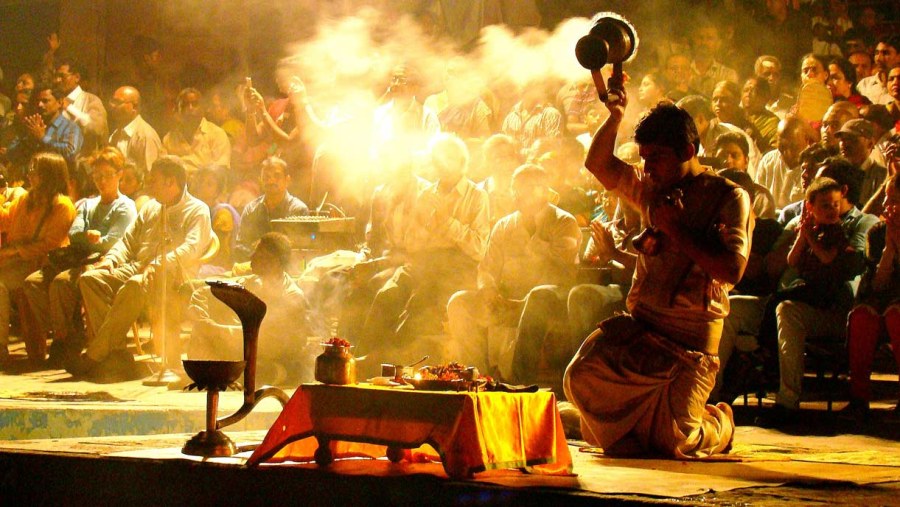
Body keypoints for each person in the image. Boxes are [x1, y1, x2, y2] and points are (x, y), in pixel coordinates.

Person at [564, 71, 751, 458]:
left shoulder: (728, 197)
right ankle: (631, 433)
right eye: (645, 158)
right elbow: (598, 164)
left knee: (677, 442)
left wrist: (676, 229)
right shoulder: (651, 189)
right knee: (578, 377)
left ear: (687, 150)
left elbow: (731, 270)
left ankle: (717, 424)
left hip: (689, 346)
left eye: (657, 158)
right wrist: (615, 118)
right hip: (642, 331)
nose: (647, 169)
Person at [69, 156, 211, 380]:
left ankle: (96, 355)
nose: (148, 185)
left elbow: (191, 248)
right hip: (138, 265)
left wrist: (159, 263)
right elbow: (127, 241)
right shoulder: (150, 208)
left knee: (135, 285)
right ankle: (115, 354)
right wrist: (111, 260)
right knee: (91, 279)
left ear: (170, 182)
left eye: (153, 180)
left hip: (171, 274)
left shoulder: (197, 210)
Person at [446, 164, 580, 382]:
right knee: (459, 302)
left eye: (526, 189)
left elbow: (563, 272)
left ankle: (520, 381)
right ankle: (477, 377)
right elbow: (487, 268)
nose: (518, 195)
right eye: (515, 189)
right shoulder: (504, 225)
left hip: (544, 303)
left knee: (538, 297)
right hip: (505, 301)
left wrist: (523, 302)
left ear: (544, 191)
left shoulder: (564, 222)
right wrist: (488, 289)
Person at [23, 147, 136, 366]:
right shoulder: (87, 204)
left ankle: (65, 341)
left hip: (103, 261)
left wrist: (95, 240)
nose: (101, 181)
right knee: (32, 283)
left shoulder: (125, 206)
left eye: (107, 175)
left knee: (61, 283)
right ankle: (66, 331)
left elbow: (114, 242)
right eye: (97, 176)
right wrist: (88, 237)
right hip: (77, 259)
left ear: (120, 174)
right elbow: (74, 234)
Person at [188, 232, 311, 386]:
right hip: (242, 349)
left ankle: (269, 373)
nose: (252, 258)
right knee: (202, 334)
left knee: (261, 370)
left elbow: (267, 338)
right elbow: (204, 292)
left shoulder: (292, 296)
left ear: (275, 262)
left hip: (273, 355)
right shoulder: (250, 282)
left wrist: (216, 330)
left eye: (259, 255)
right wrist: (202, 320)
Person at [0, 152, 76, 365]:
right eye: (31, 169)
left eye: (36, 171)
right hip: (18, 262)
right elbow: (5, 219)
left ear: (50, 175)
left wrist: (15, 251)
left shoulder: (63, 206)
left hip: (44, 264)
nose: (30, 174)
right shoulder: (26, 199)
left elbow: (49, 245)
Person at [844, 174, 900, 420]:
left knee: (896, 316)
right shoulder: (878, 232)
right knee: (861, 316)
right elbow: (877, 285)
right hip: (883, 298)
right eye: (887, 200)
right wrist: (889, 248)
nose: (888, 207)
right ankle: (859, 398)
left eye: (895, 201)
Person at [233, 156, 308, 263]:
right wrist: (259, 258)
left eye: (276, 176)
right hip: (255, 267)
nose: (271, 181)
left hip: (286, 270)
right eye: (266, 177)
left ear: (287, 180)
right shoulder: (251, 209)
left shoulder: (298, 210)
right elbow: (240, 246)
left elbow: (301, 250)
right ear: (260, 180)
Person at [6, 82, 83, 170]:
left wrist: (42, 138)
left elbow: (69, 153)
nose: (40, 105)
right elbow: (10, 155)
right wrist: (29, 140)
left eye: (45, 101)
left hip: (57, 181)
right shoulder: (32, 124)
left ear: (60, 102)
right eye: (37, 101)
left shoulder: (70, 128)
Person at [162, 88, 231, 175]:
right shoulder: (169, 139)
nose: (190, 108)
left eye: (195, 104)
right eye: (185, 105)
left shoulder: (217, 135)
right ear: (177, 110)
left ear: (203, 108)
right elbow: (162, 171)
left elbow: (221, 171)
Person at [757, 117, 819, 210]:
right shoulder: (768, 160)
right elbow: (758, 197)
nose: (787, 152)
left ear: (806, 140)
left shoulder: (814, 167)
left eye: (792, 145)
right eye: (782, 145)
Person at [53, 58, 108, 155]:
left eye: (62, 76)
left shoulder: (92, 100)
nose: (57, 80)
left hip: (83, 164)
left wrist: (69, 108)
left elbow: (96, 129)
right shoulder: (53, 100)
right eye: (56, 76)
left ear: (77, 77)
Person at [107, 86, 161, 174]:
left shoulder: (145, 136)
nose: (112, 106)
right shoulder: (115, 135)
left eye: (118, 102)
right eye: (112, 101)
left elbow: (150, 176)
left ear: (134, 107)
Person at [835, 118, 887, 206]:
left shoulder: (881, 175)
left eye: (851, 139)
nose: (844, 143)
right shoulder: (836, 172)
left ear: (870, 143)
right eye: (842, 139)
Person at [857, 35, 900, 105]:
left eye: (885, 53)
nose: (878, 58)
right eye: (876, 53)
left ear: (899, 56)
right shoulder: (864, 85)